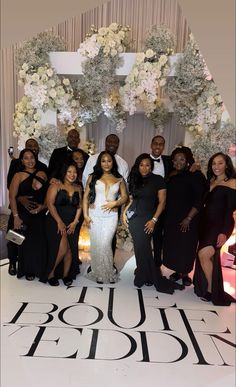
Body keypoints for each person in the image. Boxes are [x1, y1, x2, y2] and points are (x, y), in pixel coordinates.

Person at [123, 153, 184, 294]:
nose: (144, 168)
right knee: (139, 248)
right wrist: (124, 214)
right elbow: (132, 199)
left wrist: (154, 220)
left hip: (148, 218)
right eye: (141, 165)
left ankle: (149, 276)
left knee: (144, 247)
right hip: (133, 218)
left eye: (147, 165)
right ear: (138, 166)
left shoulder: (158, 180)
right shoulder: (134, 178)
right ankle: (143, 274)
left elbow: (162, 202)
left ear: (151, 166)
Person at [193, 152, 236, 305]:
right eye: (214, 163)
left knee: (204, 254)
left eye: (220, 163)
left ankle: (212, 290)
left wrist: (224, 232)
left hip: (219, 225)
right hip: (205, 224)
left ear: (227, 165)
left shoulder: (232, 182)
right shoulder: (210, 181)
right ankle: (205, 286)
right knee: (204, 256)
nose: (216, 166)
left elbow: (229, 210)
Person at [150, 136, 197, 269]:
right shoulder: (143, 160)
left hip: (166, 208)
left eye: (161, 144)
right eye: (155, 143)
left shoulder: (167, 161)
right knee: (151, 238)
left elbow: (182, 165)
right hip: (149, 206)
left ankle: (160, 266)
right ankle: (148, 265)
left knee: (163, 238)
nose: (158, 146)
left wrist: (195, 165)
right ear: (151, 144)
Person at [162, 147, 207, 286]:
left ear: (188, 160)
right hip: (172, 217)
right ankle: (177, 271)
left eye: (182, 159)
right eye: (175, 159)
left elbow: (200, 199)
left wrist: (189, 218)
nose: (178, 162)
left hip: (188, 218)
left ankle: (185, 273)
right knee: (175, 245)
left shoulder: (195, 175)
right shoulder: (172, 174)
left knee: (186, 246)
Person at [83, 151, 128, 284]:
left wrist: (115, 202)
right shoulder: (93, 177)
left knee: (106, 243)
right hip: (94, 214)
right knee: (97, 244)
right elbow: (85, 197)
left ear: (113, 162)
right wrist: (85, 215)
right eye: (103, 161)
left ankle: (108, 271)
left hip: (111, 217)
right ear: (99, 162)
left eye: (109, 161)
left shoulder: (119, 178)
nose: (106, 163)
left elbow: (125, 196)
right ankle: (98, 273)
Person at [8, 148, 48, 280]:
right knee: (22, 242)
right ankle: (24, 268)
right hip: (22, 214)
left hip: (39, 214)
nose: (30, 160)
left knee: (38, 243)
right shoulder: (18, 175)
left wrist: (42, 207)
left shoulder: (43, 173)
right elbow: (12, 197)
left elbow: (48, 194)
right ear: (22, 160)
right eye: (26, 158)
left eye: (32, 157)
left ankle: (38, 269)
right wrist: (16, 217)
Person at [44, 163, 82, 286]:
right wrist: (59, 222)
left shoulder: (78, 188)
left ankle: (66, 275)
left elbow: (79, 207)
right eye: (69, 172)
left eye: (75, 172)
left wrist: (75, 222)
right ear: (64, 173)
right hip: (55, 221)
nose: (72, 174)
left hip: (72, 223)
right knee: (63, 248)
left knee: (70, 250)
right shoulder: (56, 186)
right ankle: (50, 273)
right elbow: (50, 204)